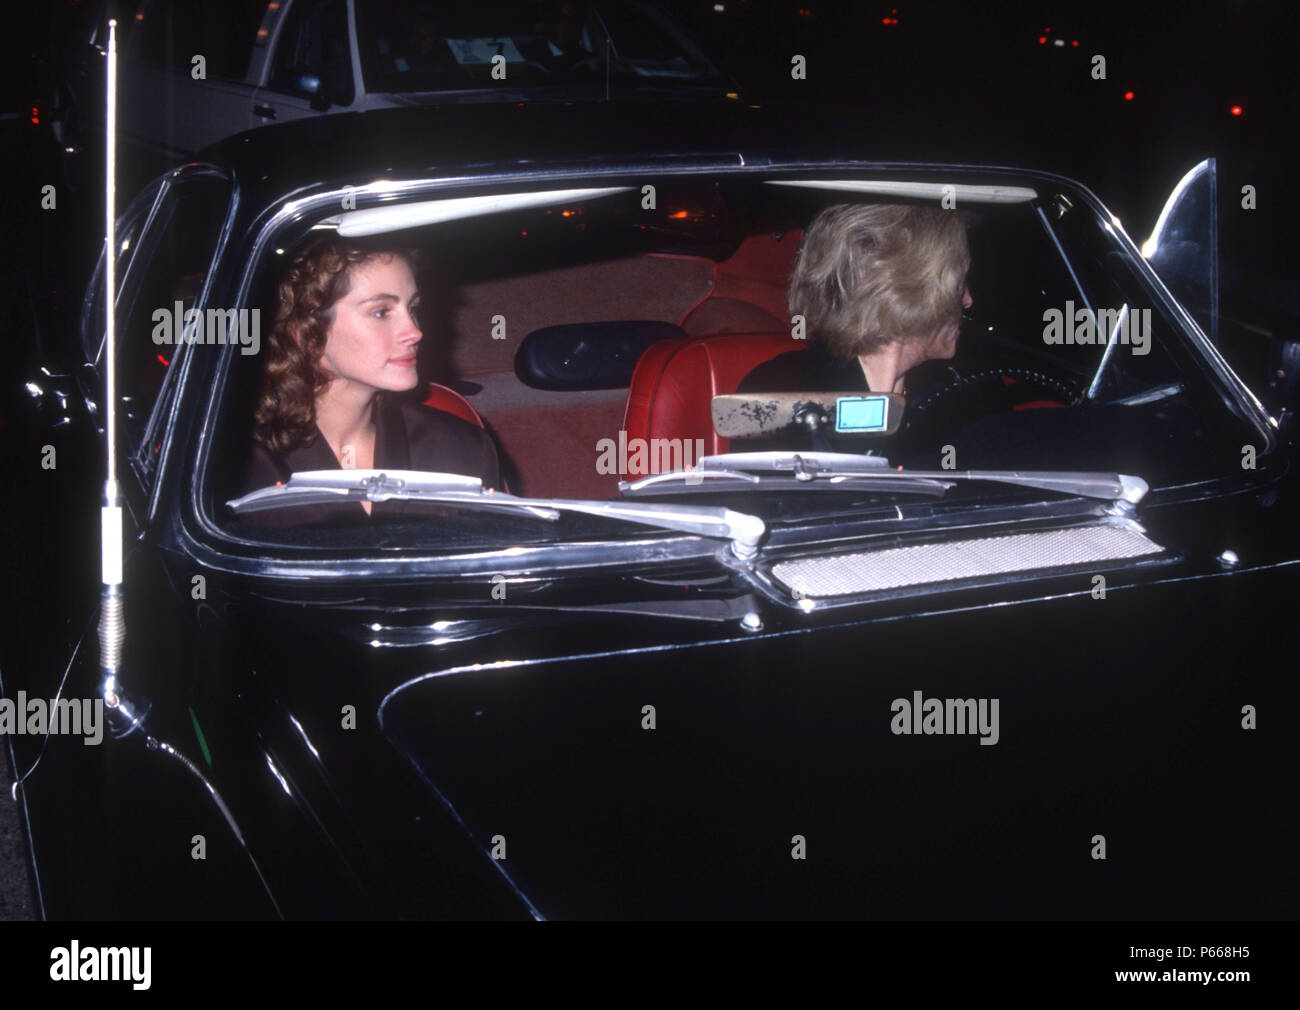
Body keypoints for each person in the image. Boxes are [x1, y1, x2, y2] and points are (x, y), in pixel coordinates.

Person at [240, 236, 501, 524]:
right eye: (381, 312)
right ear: (305, 331)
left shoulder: (458, 446)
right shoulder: (233, 461)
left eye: (412, 308)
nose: (415, 332)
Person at [735, 203, 972, 454]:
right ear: (908, 294)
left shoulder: (957, 393)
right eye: (958, 285)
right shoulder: (782, 390)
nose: (968, 300)